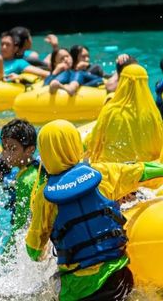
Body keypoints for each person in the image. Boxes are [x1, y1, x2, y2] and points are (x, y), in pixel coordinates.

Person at [27, 120, 163, 301]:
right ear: (76, 144)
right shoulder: (103, 173)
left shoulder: (45, 198)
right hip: (116, 279)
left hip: (76, 290)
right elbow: (143, 171)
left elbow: (33, 251)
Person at [86, 64, 163, 163]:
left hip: (113, 168)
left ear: (123, 82)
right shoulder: (153, 113)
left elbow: (94, 141)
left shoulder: (110, 110)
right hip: (144, 169)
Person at [0, 119, 43, 235]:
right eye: (4, 148)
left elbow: (21, 223)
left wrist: (9, 248)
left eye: (12, 149)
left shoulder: (25, 180)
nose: (6, 155)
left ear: (30, 150)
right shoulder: (35, 169)